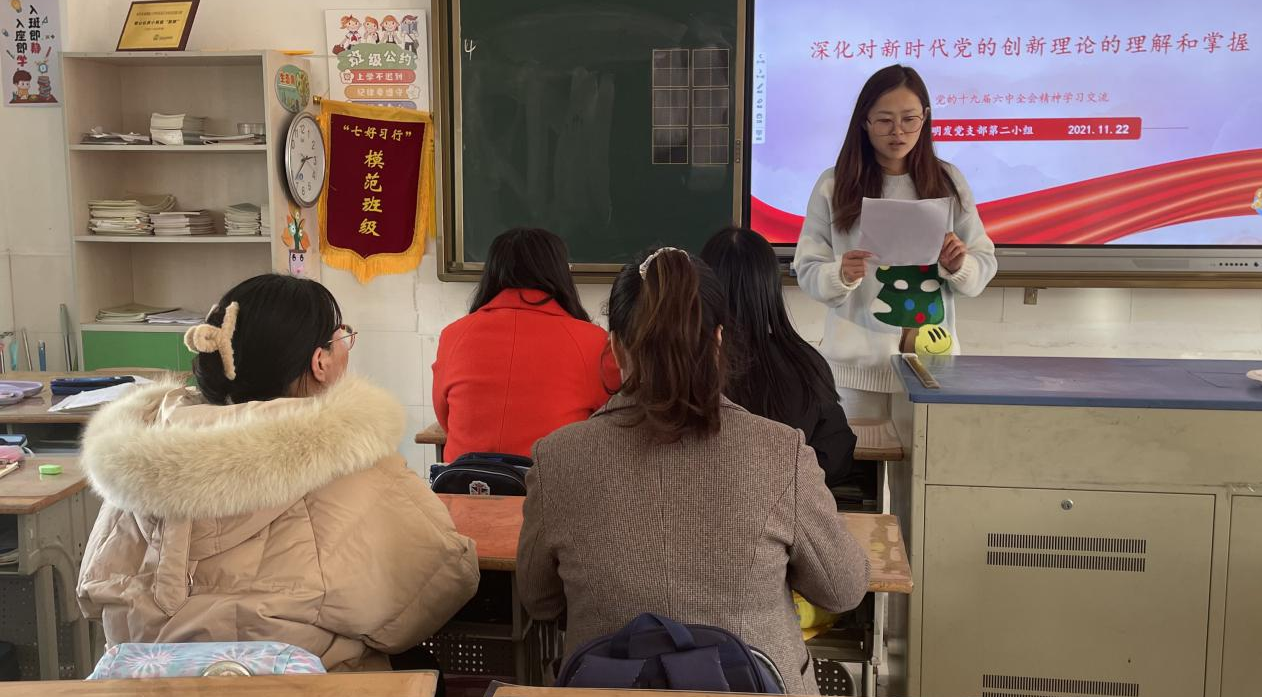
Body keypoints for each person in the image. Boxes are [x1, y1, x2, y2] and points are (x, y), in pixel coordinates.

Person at [77, 274, 480, 672]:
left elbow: (93, 594)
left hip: (146, 684)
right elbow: (439, 583)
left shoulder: (136, 457)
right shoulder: (351, 461)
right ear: (319, 362)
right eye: (343, 336)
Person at [517, 248, 870, 695]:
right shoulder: (782, 452)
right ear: (718, 340)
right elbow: (843, 591)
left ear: (615, 347)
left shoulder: (557, 458)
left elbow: (540, 600)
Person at [794, 64, 997, 419]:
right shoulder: (834, 184)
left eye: (909, 119)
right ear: (864, 122)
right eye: (885, 120)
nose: (898, 132)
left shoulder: (949, 181)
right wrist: (839, 274)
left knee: (920, 475)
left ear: (926, 118)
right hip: (856, 370)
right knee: (854, 473)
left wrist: (960, 265)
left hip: (932, 367)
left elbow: (984, 264)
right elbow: (807, 268)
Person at [432, 227, 616, 460]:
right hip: (552, 485)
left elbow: (445, 416)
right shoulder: (593, 341)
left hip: (465, 486)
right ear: (560, 273)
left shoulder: (454, 335)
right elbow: (608, 420)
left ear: (491, 272)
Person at [701, 226, 856, 487]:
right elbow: (835, 455)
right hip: (784, 520)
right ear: (771, 287)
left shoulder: (683, 364)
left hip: (699, 518)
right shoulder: (805, 364)